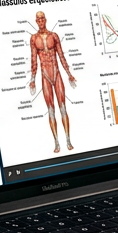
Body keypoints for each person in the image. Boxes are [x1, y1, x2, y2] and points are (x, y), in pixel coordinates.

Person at [28, 11, 77, 152]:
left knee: (62, 108)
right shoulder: (33, 39)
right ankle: (56, 142)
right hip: (45, 76)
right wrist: (32, 80)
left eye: (42, 18)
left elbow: (61, 55)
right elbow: (33, 60)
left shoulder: (53, 36)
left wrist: (69, 74)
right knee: (50, 110)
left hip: (56, 74)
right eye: (38, 19)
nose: (41, 21)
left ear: (46, 20)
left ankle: (68, 140)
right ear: (36, 21)